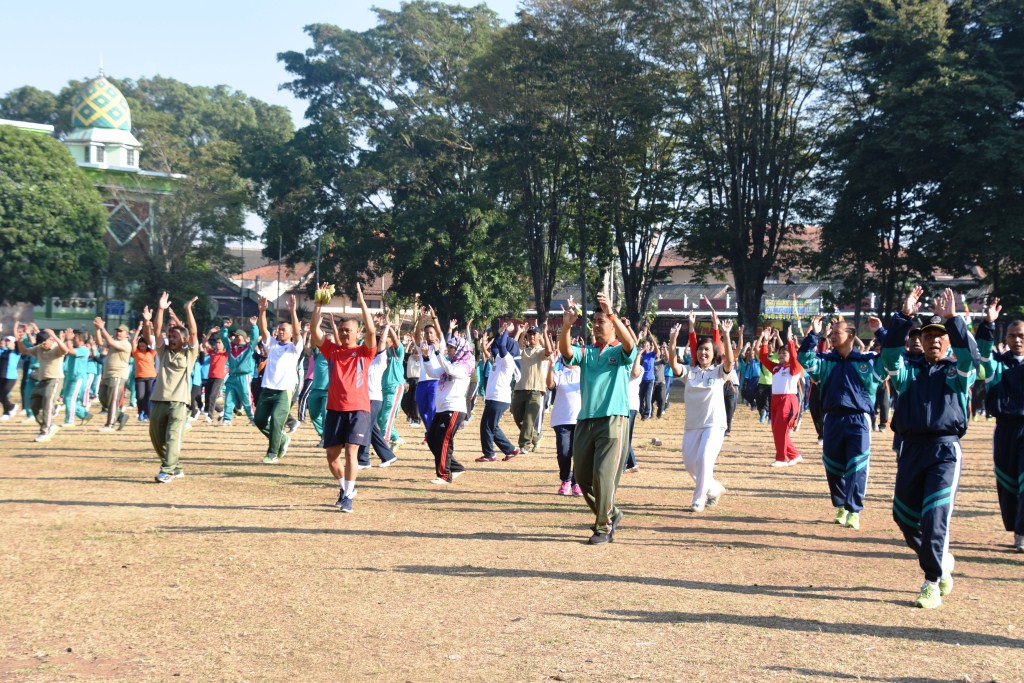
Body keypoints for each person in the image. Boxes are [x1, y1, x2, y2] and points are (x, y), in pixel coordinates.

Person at [881, 286, 975, 608]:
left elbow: (968, 357)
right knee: (904, 518)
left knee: (935, 517)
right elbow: (889, 355)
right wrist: (902, 317)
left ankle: (931, 581)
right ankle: (941, 562)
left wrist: (954, 321)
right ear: (919, 340)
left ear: (947, 341)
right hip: (911, 449)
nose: (934, 340)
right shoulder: (908, 373)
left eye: (940, 336)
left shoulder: (956, 373)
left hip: (944, 451)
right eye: (927, 336)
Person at [558, 293, 637, 544]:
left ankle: (602, 527)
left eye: (600, 322)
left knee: (603, 476)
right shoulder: (589, 352)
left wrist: (611, 312)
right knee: (581, 477)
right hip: (586, 420)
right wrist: (567, 326)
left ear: (612, 325)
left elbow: (630, 346)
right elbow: (567, 353)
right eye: (594, 322)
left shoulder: (620, 352)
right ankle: (612, 513)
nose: (595, 326)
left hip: (613, 420)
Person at [799, 313, 885, 530]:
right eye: (831, 334)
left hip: (859, 420)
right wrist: (814, 335)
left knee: (857, 465)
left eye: (837, 333)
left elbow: (891, 357)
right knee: (833, 465)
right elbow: (804, 358)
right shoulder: (826, 361)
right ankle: (841, 506)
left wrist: (880, 332)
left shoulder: (867, 361)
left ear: (851, 336)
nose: (832, 337)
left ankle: (854, 510)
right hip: (833, 419)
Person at [309, 282, 375, 512]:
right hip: (335, 409)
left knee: (351, 451)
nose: (346, 333)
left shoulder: (365, 352)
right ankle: (344, 487)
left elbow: (372, 330)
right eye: (343, 330)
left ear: (358, 333)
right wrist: (318, 305)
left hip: (358, 409)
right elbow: (314, 332)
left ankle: (348, 496)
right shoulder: (333, 351)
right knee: (332, 457)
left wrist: (362, 302)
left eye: (350, 330)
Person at [668, 307, 735, 512]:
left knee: (705, 458)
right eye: (700, 349)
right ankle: (713, 489)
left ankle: (699, 498)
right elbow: (673, 363)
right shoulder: (689, 372)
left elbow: (730, 361)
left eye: (707, 350)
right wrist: (672, 341)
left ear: (714, 353)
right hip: (693, 425)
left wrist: (725, 335)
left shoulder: (717, 372)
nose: (703, 352)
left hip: (714, 424)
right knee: (690, 464)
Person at [976, 297, 1024, 553]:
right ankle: (1015, 527)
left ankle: (1022, 533)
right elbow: (981, 353)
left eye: (1022, 335)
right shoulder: (996, 366)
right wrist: (987, 324)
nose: (1017, 340)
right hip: (1005, 430)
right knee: (1008, 484)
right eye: (1012, 335)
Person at [148, 292, 200, 483]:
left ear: (184, 339)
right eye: (170, 335)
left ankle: (167, 470)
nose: (171, 337)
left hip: (179, 401)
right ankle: (175, 467)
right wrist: (160, 309)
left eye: (175, 335)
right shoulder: (163, 351)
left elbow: (193, 333)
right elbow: (156, 331)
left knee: (172, 437)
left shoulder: (189, 353)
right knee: (156, 438)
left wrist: (187, 310)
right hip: (159, 398)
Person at [421, 312, 473, 484]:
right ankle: (455, 467)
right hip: (442, 408)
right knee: (431, 438)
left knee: (444, 440)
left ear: (458, 348)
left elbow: (450, 370)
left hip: (454, 408)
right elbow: (433, 372)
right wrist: (427, 357)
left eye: (451, 347)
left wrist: (437, 353)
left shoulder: (464, 365)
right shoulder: (448, 363)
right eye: (448, 346)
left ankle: (444, 475)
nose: (448, 349)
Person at [254, 295, 303, 463]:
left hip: (284, 390)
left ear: (290, 334)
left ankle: (272, 453)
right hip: (268, 388)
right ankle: (281, 439)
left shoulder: (294, 348)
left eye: (285, 330)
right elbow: (263, 330)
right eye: (279, 329)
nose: (281, 331)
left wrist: (293, 312)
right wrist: (262, 311)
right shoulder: (272, 344)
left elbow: (297, 332)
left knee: (276, 420)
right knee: (259, 420)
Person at [357, 314, 399, 469]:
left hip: (374, 398)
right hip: (364, 398)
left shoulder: (380, 361)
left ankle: (364, 460)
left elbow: (381, 341)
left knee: (365, 427)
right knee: (372, 429)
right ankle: (388, 456)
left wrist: (387, 327)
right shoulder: (364, 359)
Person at [477, 322, 522, 462]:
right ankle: (510, 449)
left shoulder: (508, 360)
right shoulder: (497, 359)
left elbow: (502, 346)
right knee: (491, 426)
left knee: (487, 426)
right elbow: (497, 344)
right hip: (494, 397)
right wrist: (500, 333)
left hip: (499, 398)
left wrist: (507, 332)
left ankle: (489, 454)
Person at [759, 327, 804, 467]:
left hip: (788, 400)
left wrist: (789, 340)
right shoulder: (777, 368)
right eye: (781, 352)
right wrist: (765, 342)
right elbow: (763, 358)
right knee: (777, 429)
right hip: (775, 400)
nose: (783, 354)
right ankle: (795, 455)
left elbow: (794, 356)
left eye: (786, 352)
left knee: (781, 429)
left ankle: (781, 458)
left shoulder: (794, 367)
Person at [17, 327, 69, 442]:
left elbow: (65, 350)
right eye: (40, 344)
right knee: (33, 403)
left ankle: (45, 431)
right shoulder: (39, 348)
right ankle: (49, 426)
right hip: (42, 381)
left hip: (54, 380)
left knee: (47, 405)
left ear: (51, 340)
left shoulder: (56, 349)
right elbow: (24, 351)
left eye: (45, 343)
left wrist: (55, 337)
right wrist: (20, 341)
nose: (43, 346)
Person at [511, 322, 552, 452]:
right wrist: (521, 333)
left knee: (529, 419)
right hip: (519, 388)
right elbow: (515, 348)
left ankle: (524, 445)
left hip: (535, 390)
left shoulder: (540, 352)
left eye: (534, 335)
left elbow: (549, 351)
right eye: (529, 335)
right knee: (518, 417)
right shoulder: (523, 350)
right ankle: (536, 437)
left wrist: (545, 333)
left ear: (538, 336)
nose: (532, 337)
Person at [548, 350, 583, 496]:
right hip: (561, 419)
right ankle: (565, 480)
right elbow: (549, 384)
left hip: (581, 419)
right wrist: (551, 364)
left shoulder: (584, 373)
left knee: (579, 454)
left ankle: (576, 482)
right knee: (564, 452)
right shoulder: (560, 373)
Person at [93, 317, 132, 431]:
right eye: (117, 331)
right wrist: (97, 329)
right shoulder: (115, 341)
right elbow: (100, 342)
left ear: (127, 335)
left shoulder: (125, 344)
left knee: (112, 400)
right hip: (107, 374)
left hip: (118, 374)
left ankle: (110, 425)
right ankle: (120, 415)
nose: (118, 333)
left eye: (121, 331)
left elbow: (109, 342)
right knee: (103, 399)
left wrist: (102, 328)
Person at [220, 318, 259, 427]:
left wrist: (254, 326)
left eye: (238, 335)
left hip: (244, 377)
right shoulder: (231, 347)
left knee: (246, 398)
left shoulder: (248, 348)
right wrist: (225, 328)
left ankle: (252, 418)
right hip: (232, 376)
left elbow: (255, 338)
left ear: (244, 338)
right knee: (229, 397)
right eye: (235, 335)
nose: (235, 337)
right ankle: (227, 419)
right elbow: (224, 338)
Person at [378, 319, 406, 449]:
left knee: (386, 416)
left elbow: (396, 341)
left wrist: (389, 328)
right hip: (382, 389)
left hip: (395, 387)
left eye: (386, 339)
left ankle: (384, 444)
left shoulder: (396, 352)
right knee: (380, 418)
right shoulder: (379, 354)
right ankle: (396, 438)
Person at [61, 330, 92, 427]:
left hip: (78, 378)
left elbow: (71, 351)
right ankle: (85, 414)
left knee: (70, 399)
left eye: (75, 339)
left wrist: (68, 339)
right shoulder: (75, 347)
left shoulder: (84, 349)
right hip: (70, 376)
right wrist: (63, 339)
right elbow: (64, 350)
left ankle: (70, 421)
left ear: (81, 340)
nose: (73, 340)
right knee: (66, 399)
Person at [131, 310, 157, 421]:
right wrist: (138, 330)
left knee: (148, 397)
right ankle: (140, 411)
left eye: (143, 345)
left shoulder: (151, 352)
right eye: (140, 345)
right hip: (140, 377)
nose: (141, 346)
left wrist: (151, 328)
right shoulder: (136, 352)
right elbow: (133, 342)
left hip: (151, 376)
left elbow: (153, 340)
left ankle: (147, 414)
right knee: (140, 396)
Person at [202, 327, 229, 422]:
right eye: (217, 343)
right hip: (210, 377)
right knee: (208, 397)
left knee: (212, 396)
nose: (217, 344)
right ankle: (221, 410)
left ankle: (210, 416)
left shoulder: (225, 354)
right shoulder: (212, 352)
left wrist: (224, 332)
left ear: (223, 345)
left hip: (219, 378)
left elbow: (229, 344)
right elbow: (204, 344)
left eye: (219, 343)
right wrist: (210, 333)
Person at [0, 334, 21, 420]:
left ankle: (10, 408)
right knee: (1, 395)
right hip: (2, 375)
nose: (7, 342)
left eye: (9, 341)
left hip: (11, 376)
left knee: (3, 394)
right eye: (7, 341)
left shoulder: (16, 351)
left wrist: (18, 335)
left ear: (14, 343)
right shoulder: (4, 351)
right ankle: (7, 411)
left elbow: (19, 345)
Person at [638, 336, 658, 420]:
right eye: (644, 345)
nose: (645, 346)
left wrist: (652, 338)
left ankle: (647, 414)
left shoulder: (652, 354)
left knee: (647, 397)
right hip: (641, 379)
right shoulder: (640, 355)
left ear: (649, 346)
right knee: (640, 397)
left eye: (647, 345)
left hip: (650, 379)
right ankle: (642, 412)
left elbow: (656, 348)